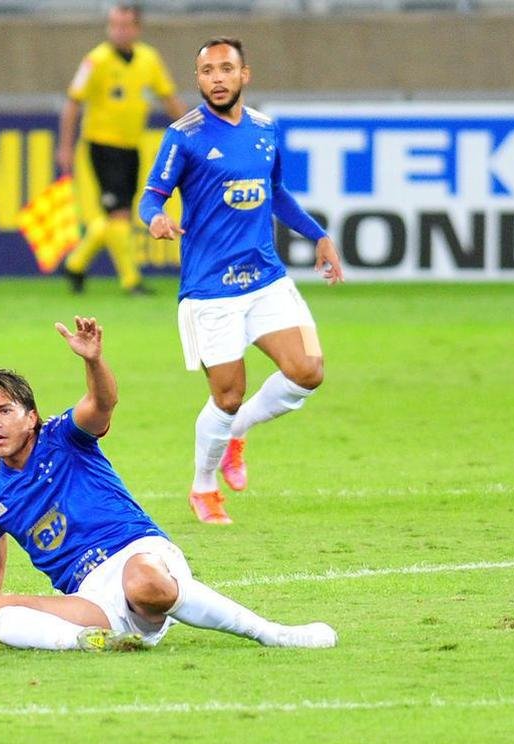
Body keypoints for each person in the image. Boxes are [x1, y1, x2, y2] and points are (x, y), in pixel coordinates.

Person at [0, 316, 336, 653]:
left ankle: (271, 632)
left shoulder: (63, 436)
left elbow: (102, 404)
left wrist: (93, 362)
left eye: (4, 410)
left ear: (32, 417)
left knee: (143, 583)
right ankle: (87, 643)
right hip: (88, 598)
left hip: (138, 555)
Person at [139, 37, 344, 525]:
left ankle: (236, 434)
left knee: (309, 369)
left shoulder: (266, 130)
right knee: (227, 396)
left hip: (267, 279)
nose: (216, 78)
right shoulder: (183, 135)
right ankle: (203, 486)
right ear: (199, 80)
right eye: (207, 71)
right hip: (211, 289)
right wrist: (156, 219)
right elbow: (152, 197)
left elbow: (276, 194)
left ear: (244, 75)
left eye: (225, 69)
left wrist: (318, 235)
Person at [57, 2, 186, 295]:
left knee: (118, 216)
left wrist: (195, 131)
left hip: (131, 146)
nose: (119, 31)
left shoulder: (148, 59)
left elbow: (169, 98)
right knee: (119, 214)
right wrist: (65, 146)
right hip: (102, 146)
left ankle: (76, 264)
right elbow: (73, 102)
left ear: (137, 28)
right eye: (114, 25)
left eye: (125, 26)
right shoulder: (96, 61)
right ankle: (131, 281)